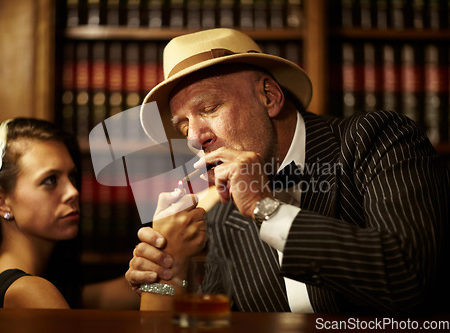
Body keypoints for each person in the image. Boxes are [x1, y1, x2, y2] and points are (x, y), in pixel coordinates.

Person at [126, 28, 450, 315]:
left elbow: (410, 278)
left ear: (269, 97)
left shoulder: (377, 138)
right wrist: (165, 276)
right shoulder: (224, 214)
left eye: (209, 108)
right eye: (183, 126)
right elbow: (212, 314)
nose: (195, 137)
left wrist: (264, 208)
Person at [0, 118, 141, 308]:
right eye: (50, 180)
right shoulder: (27, 292)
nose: (73, 192)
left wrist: (162, 270)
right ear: (1, 203)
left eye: (72, 176)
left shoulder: (6, 283)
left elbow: (109, 296)